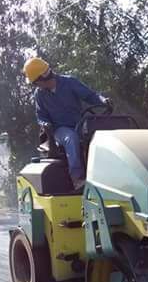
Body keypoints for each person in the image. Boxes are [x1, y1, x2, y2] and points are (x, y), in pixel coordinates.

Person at [23, 57, 109, 191]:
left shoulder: (69, 82)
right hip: (59, 130)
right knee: (71, 138)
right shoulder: (39, 94)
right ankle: (77, 179)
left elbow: (90, 96)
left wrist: (103, 100)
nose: (36, 86)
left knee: (100, 137)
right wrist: (46, 124)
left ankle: (105, 176)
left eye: (35, 83)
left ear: (41, 78)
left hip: (80, 124)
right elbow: (41, 116)